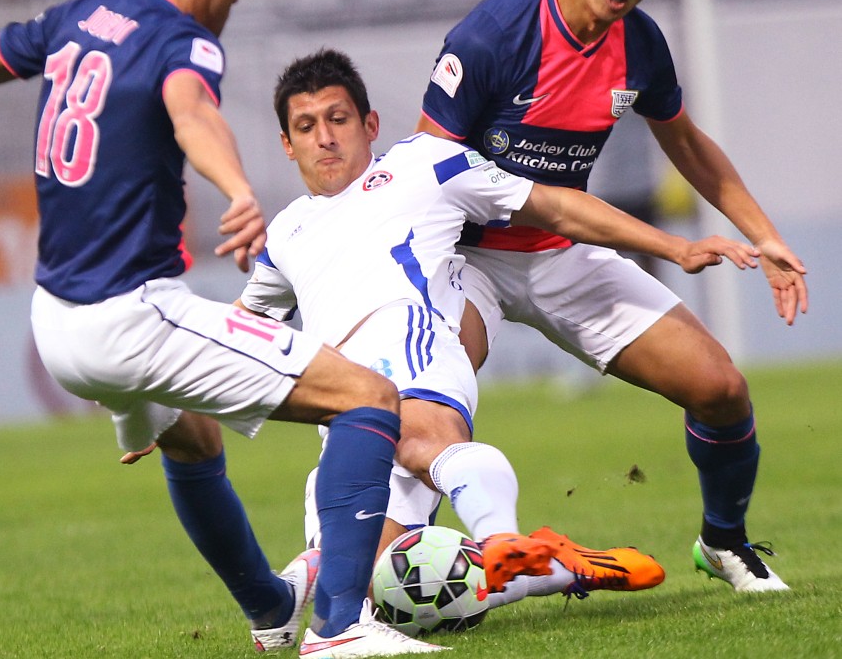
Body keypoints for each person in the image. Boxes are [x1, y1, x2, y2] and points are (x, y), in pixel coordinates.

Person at [0, 0, 430, 656]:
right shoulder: (180, 38)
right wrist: (238, 190)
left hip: (54, 322)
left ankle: (271, 606)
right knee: (367, 398)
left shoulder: (80, 16)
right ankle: (340, 629)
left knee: (193, 440)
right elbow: (192, 113)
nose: (228, 10)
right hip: (133, 320)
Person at [243, 47, 757, 640]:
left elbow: (552, 204)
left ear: (370, 124)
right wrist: (163, 401)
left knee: (416, 439)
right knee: (378, 585)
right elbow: (238, 328)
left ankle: (499, 536)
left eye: (338, 119)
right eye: (306, 127)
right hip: (335, 397)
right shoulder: (284, 232)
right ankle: (549, 566)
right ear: (287, 143)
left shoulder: (425, 165)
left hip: (408, 341)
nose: (324, 138)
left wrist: (673, 246)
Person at [416, 0, 807, 593]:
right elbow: (425, 170)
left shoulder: (640, 45)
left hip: (562, 252)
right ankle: (396, 567)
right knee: (427, 412)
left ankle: (724, 542)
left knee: (721, 389)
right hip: (468, 259)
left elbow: (686, 142)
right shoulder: (497, 33)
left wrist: (765, 234)